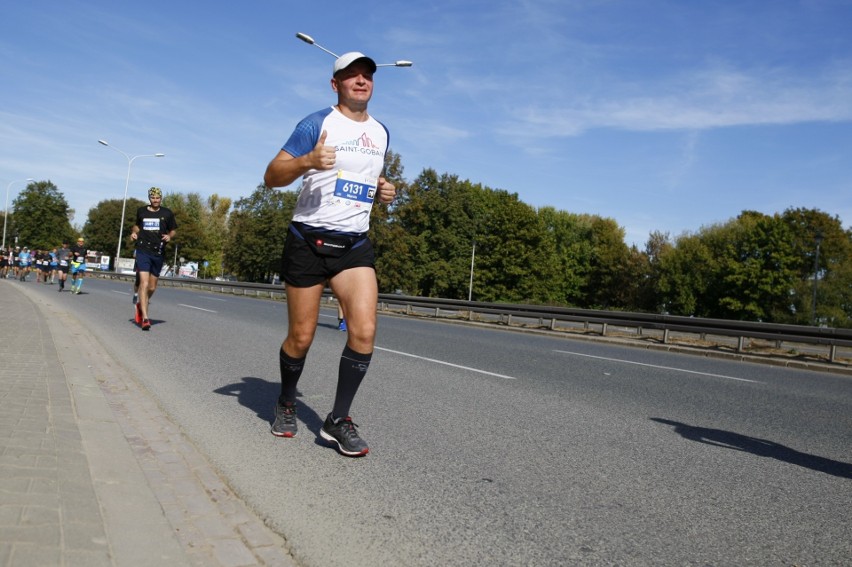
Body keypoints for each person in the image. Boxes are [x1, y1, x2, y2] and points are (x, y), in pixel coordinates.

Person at [263, 50, 397, 457]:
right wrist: (306, 160)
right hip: (308, 240)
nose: (361, 81)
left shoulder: (381, 132)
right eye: (351, 75)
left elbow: (363, 178)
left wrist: (384, 190)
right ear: (335, 83)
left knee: (365, 330)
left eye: (367, 76)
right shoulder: (316, 123)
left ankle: (337, 420)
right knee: (301, 337)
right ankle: (286, 401)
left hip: (353, 245)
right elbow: (271, 177)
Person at [130, 187, 177, 331]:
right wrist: (133, 233)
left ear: (161, 198)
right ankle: (145, 318)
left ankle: (141, 303)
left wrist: (170, 236)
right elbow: (137, 226)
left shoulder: (167, 213)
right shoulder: (142, 211)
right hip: (143, 250)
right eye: (153, 198)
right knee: (144, 283)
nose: (155, 200)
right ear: (149, 198)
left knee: (152, 287)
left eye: (158, 198)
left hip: (158, 252)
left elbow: (173, 230)